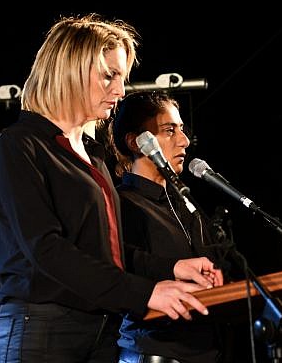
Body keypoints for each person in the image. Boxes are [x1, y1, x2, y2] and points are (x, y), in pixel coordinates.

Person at [0, 13, 224, 363]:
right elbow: (47, 249)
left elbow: (100, 250)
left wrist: (172, 269)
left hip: (99, 330)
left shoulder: (94, 156)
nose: (120, 90)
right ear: (69, 71)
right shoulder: (19, 145)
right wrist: (147, 293)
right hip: (41, 329)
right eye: (109, 75)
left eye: (122, 77)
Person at [107, 91, 229, 363]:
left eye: (182, 130)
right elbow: (120, 269)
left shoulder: (186, 203)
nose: (184, 141)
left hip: (207, 351)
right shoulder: (121, 204)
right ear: (136, 142)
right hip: (155, 351)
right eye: (169, 131)